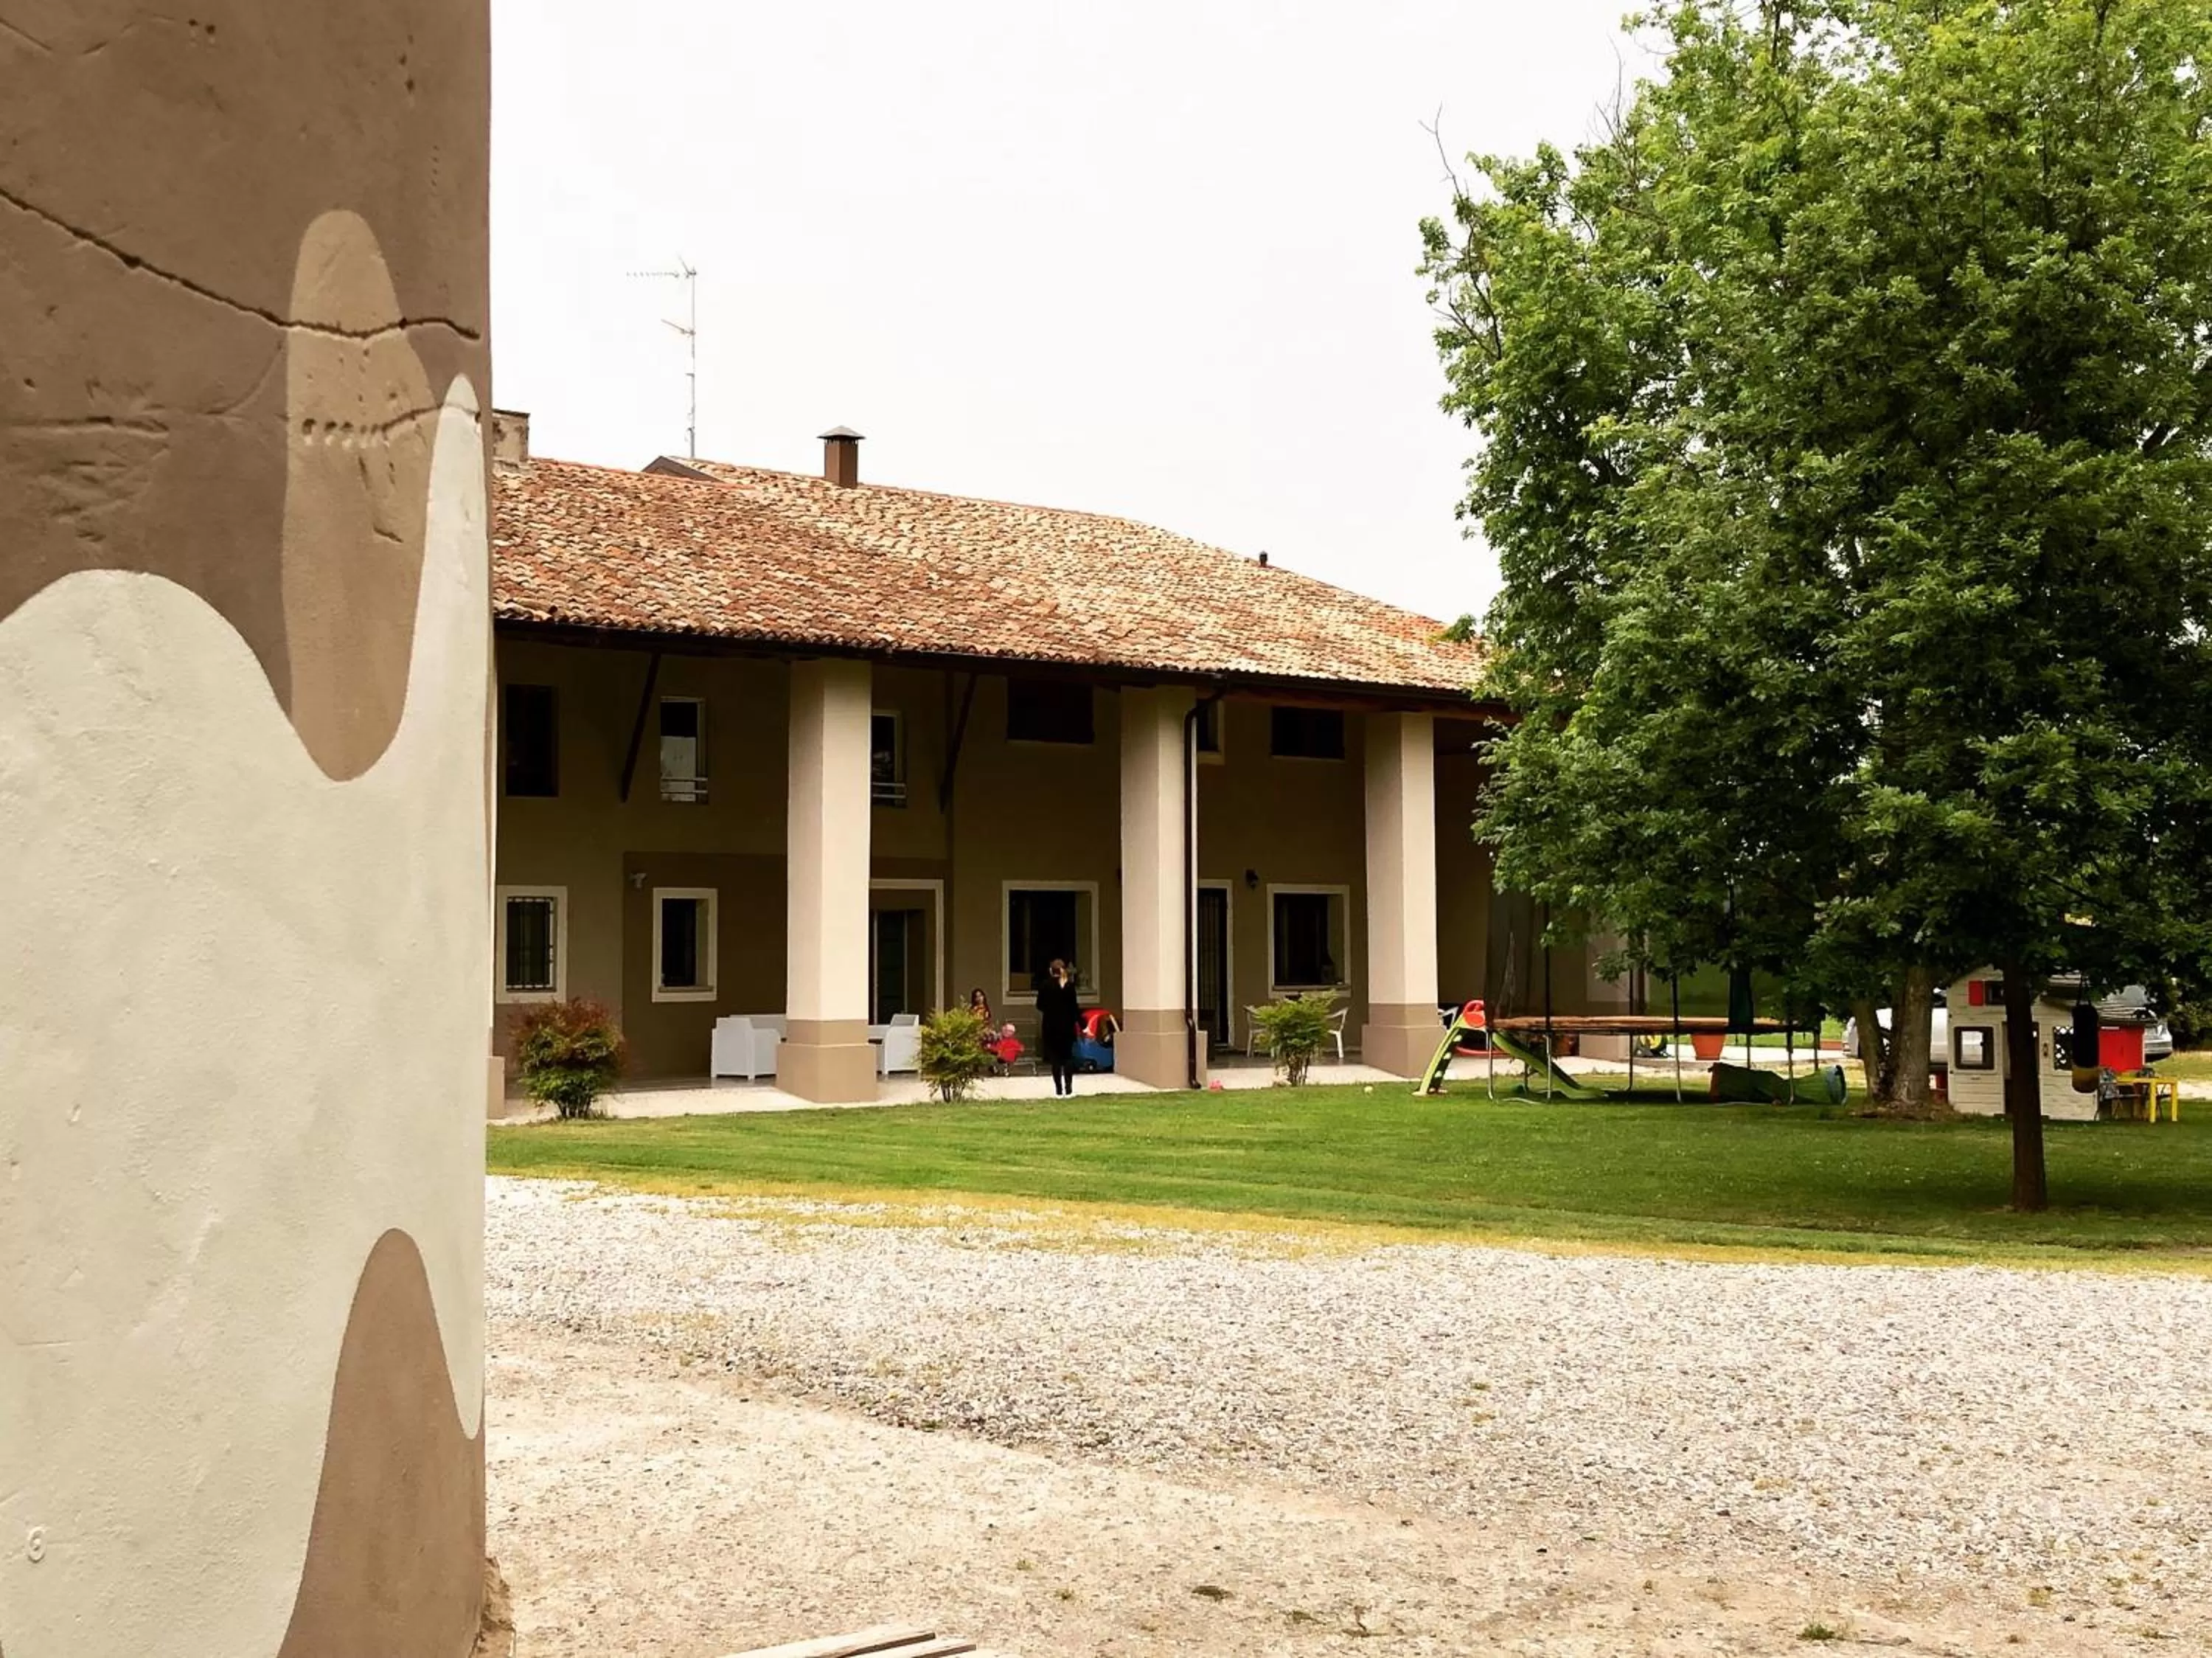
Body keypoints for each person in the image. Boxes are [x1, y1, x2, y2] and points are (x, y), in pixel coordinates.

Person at [1035, 957, 1082, 1097]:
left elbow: (1039, 1005)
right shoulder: (1069, 986)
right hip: (1067, 1028)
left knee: (1055, 1060)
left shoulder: (1045, 985)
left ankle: (1058, 1089)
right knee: (1067, 1058)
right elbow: (1074, 1008)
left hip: (1051, 1027)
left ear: (1051, 971)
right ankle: (1069, 1088)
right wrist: (1080, 1024)